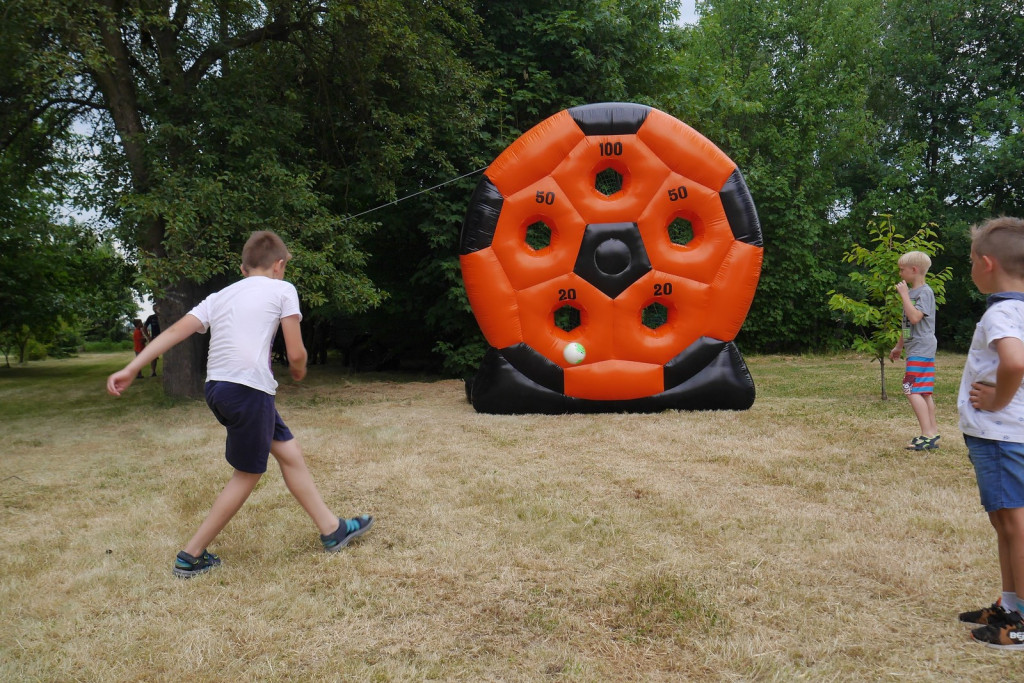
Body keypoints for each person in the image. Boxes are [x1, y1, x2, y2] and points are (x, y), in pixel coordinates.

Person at [107, 231, 374, 578]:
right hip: (249, 391)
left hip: (218, 388)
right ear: (279, 265)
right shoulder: (283, 289)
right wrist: (299, 368)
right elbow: (295, 352)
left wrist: (132, 367)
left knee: (290, 454)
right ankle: (191, 555)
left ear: (243, 267)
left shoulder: (219, 296)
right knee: (247, 474)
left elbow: (172, 333)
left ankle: (332, 529)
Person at [956, 216, 1024, 649]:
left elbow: (1014, 363)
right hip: (1007, 435)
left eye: (969, 261)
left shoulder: (1001, 312)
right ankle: (1010, 604)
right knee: (1005, 522)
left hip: (1000, 434)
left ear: (985, 263)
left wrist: (997, 400)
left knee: (1015, 523)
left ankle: (1019, 623)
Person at [888, 251, 939, 450]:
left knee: (910, 388)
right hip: (915, 346)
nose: (900, 274)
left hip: (922, 346)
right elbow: (908, 323)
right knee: (924, 391)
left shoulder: (924, 292)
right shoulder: (912, 294)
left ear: (914, 270)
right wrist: (899, 346)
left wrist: (903, 296)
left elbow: (916, 317)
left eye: (902, 270)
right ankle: (932, 433)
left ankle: (926, 434)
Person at [143, 305, 161, 377]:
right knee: (153, 356)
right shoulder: (151, 317)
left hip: (165, 337)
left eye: (156, 308)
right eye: (154, 308)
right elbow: (144, 327)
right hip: (154, 338)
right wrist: (148, 337)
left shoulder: (164, 316)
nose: (155, 309)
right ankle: (153, 371)